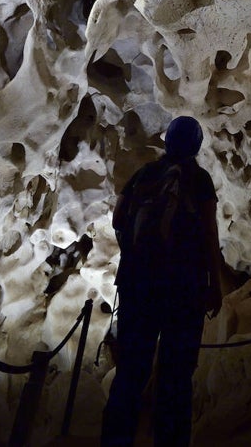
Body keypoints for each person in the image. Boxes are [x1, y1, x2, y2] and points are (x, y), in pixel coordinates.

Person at [101, 116, 223, 447]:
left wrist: (135, 256)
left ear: (167, 142)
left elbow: (118, 217)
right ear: (196, 146)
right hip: (183, 291)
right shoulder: (198, 179)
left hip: (137, 287)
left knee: (130, 371)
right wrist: (215, 283)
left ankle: (115, 440)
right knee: (176, 378)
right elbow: (209, 234)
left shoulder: (145, 174)